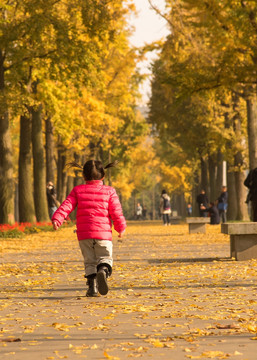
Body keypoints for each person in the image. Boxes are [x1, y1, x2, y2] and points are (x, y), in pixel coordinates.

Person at [51, 160, 126, 297]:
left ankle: (92, 287)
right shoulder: (110, 191)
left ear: (84, 176)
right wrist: (120, 228)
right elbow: (116, 211)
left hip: (84, 234)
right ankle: (103, 270)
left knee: (89, 260)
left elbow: (66, 205)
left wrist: (57, 219)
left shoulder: (78, 190)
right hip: (103, 235)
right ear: (103, 176)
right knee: (104, 257)